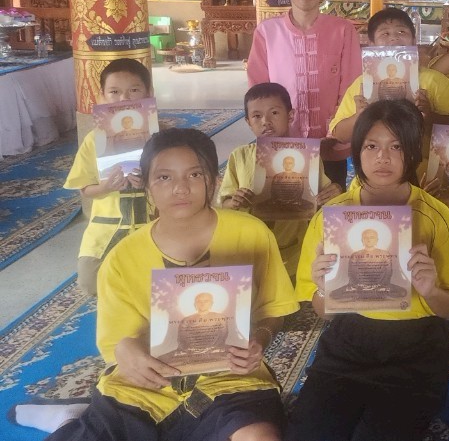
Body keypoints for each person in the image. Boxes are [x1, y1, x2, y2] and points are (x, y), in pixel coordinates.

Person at [46, 128, 298, 441]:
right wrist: (126, 351)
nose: (180, 188)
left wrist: (259, 338)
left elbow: (273, 309)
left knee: (258, 436)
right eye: (164, 177)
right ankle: (74, 419)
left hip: (231, 379)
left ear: (214, 181)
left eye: (195, 174)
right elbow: (118, 343)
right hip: (147, 386)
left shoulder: (252, 234)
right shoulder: (122, 257)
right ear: (147, 187)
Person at [291, 100, 449, 441]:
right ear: (357, 151)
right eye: (371, 146)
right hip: (348, 344)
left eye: (396, 147)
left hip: (416, 349)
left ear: (412, 152)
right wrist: (324, 289)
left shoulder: (435, 216)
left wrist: (431, 289)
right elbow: (323, 312)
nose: (383, 158)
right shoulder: (332, 218)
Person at [248, 0, 361, 188]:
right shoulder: (267, 32)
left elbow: (352, 82)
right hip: (283, 136)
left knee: (331, 194)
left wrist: (337, 129)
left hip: (331, 138)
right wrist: (265, 124)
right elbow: (258, 87)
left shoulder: (342, 30)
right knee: (285, 196)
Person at [219, 83, 341, 275]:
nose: (265, 121)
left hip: (295, 247)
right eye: (257, 116)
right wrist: (233, 202)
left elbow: (325, 200)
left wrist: (334, 192)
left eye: (274, 113)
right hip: (251, 248)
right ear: (248, 121)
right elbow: (223, 203)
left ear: (290, 116)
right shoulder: (239, 156)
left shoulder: (308, 155)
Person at [329, 8, 449, 179]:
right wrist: (359, 116)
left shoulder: (434, 81)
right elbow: (338, 135)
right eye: (385, 33)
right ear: (371, 44)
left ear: (414, 41)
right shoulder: (363, 84)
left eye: (401, 32)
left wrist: (430, 116)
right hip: (376, 174)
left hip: (426, 176)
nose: (394, 38)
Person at [65, 59, 153, 295]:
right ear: (102, 96)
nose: (124, 99)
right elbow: (85, 188)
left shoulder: (161, 137)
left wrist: (151, 183)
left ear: (148, 93)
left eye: (134, 90)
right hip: (109, 225)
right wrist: (105, 187)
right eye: (114, 92)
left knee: (165, 280)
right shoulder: (94, 140)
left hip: (155, 223)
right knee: (90, 283)